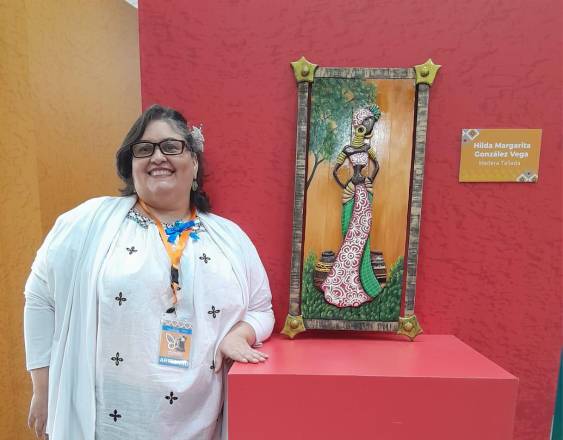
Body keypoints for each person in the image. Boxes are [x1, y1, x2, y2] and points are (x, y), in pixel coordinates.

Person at [24, 104, 275, 440]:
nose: (157, 157)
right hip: (108, 425)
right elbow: (39, 296)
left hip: (200, 424)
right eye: (144, 149)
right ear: (131, 165)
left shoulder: (230, 239)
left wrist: (239, 334)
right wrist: (43, 388)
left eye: (171, 146)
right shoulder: (86, 223)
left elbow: (261, 309)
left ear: (194, 162)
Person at [321, 105, 383, 307]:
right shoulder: (347, 149)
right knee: (348, 231)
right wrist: (345, 185)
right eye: (365, 122)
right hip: (351, 191)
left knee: (363, 232)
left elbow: (377, 165)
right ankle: (343, 281)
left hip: (364, 191)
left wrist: (369, 179)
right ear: (358, 124)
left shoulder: (366, 148)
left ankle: (365, 282)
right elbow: (335, 171)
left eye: (370, 123)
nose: (367, 126)